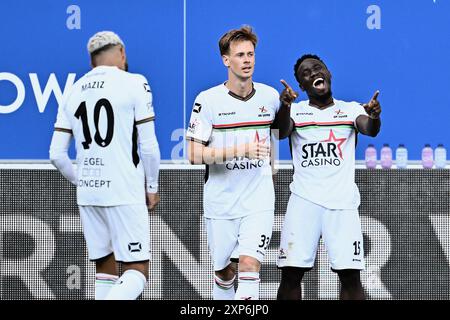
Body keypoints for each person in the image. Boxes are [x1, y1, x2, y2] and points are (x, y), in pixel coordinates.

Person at [49, 31, 161, 300]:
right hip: (124, 188)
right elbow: (148, 145)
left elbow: (56, 154)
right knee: (137, 269)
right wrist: (152, 185)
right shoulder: (135, 82)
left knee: (105, 267)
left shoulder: (73, 91)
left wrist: (83, 179)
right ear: (121, 52)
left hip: (89, 192)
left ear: (91, 62)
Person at [274, 54, 381, 300]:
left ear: (328, 73)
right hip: (303, 201)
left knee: (351, 276)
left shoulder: (350, 109)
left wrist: (374, 116)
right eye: (305, 73)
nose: (312, 73)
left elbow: (370, 129)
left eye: (317, 68)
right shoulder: (297, 112)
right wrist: (286, 105)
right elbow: (280, 132)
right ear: (301, 86)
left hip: (342, 203)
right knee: (291, 275)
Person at [186, 26, 279, 300]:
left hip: (258, 200)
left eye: (251, 54)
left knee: (250, 265)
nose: (247, 60)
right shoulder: (208, 100)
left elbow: (280, 137)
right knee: (224, 273)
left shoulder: (270, 97)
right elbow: (192, 154)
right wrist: (241, 150)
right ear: (226, 60)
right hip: (221, 202)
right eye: (240, 55)